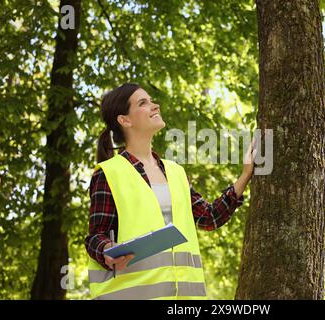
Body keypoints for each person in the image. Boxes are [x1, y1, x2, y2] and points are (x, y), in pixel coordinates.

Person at [85, 83, 256, 300]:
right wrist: (108, 249)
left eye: (151, 100)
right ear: (125, 120)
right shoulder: (109, 173)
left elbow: (208, 218)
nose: (154, 105)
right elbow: (95, 237)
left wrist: (245, 176)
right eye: (143, 103)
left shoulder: (175, 172)